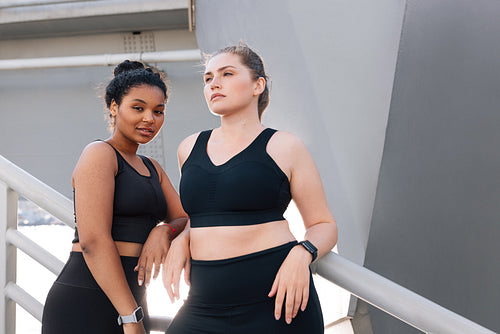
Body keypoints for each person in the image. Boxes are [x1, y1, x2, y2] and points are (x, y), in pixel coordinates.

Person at [162, 44, 338, 334]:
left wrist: (303, 252)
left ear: (258, 85)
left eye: (227, 73)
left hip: (277, 301)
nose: (214, 83)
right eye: (208, 79)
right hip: (203, 303)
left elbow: (324, 224)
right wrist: (183, 238)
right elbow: (209, 211)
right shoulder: (188, 147)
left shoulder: (286, 146)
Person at [42, 60, 188, 334]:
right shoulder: (99, 153)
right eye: (138, 108)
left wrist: (163, 231)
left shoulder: (151, 168)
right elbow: (93, 242)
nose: (149, 118)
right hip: (85, 299)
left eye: (158, 111)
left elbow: (185, 218)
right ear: (113, 107)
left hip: (132, 298)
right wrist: (130, 316)